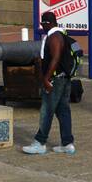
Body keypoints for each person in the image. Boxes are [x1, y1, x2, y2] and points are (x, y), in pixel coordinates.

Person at [22, 12, 75, 155]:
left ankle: (40, 142)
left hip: (55, 80)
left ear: (47, 23)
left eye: (42, 24)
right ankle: (67, 143)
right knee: (63, 110)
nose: (42, 26)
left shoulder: (54, 37)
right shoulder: (62, 34)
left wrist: (46, 78)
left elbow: (56, 58)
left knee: (47, 111)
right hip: (65, 78)